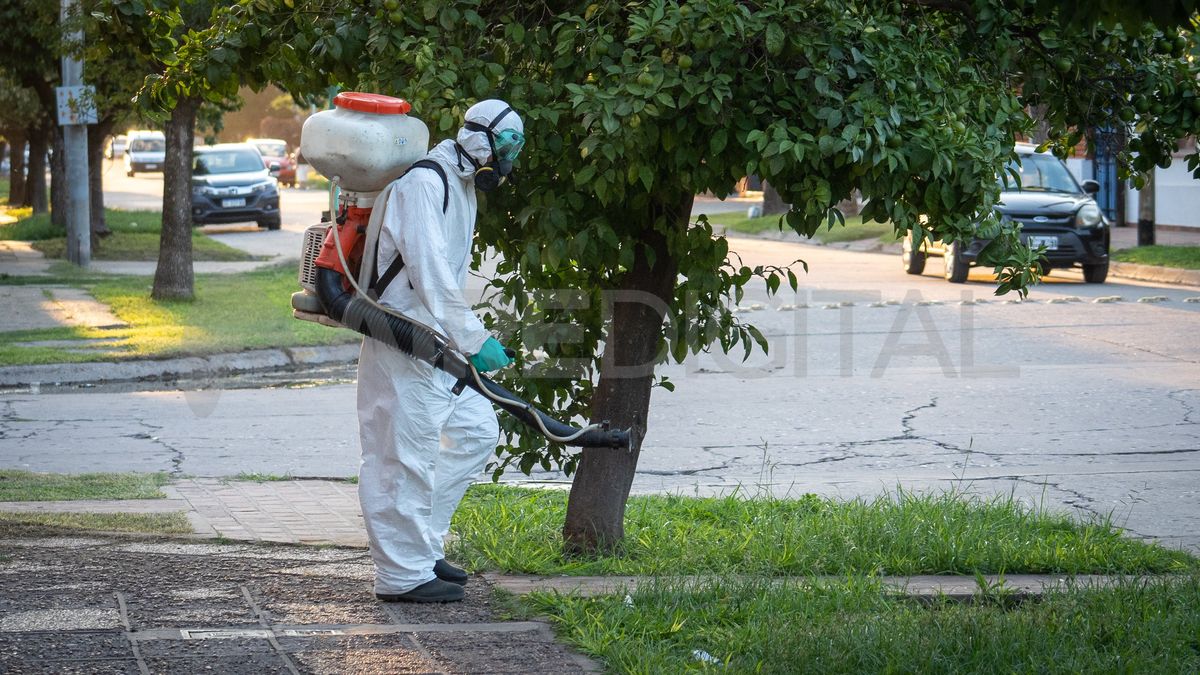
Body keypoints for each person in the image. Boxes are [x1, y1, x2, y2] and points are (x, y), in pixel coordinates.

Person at [357, 99, 525, 603]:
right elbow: (429, 272)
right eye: (508, 146)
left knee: (475, 431)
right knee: (402, 456)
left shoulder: (463, 184)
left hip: (435, 338)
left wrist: (461, 337)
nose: (511, 159)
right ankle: (401, 576)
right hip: (402, 337)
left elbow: (445, 275)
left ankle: (421, 550)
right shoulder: (425, 184)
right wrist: (476, 339)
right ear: (479, 139)